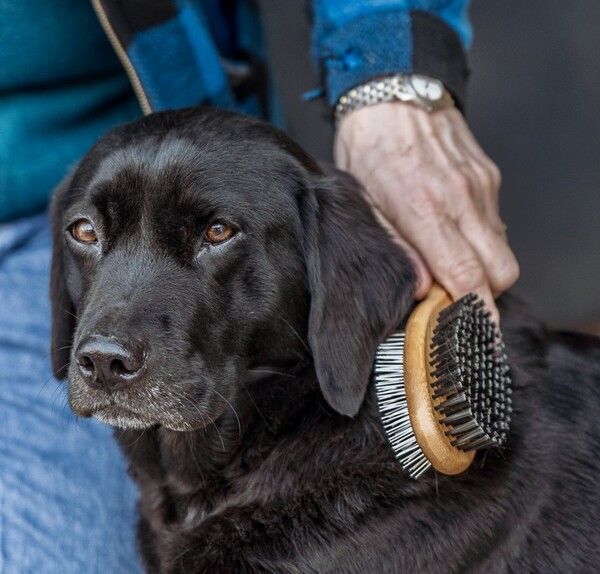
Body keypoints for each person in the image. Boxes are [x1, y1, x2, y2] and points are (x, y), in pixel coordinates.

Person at [0, 1, 518, 572]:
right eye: (87, 232)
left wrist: (393, 69)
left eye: (215, 232)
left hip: (115, 113)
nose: (103, 349)